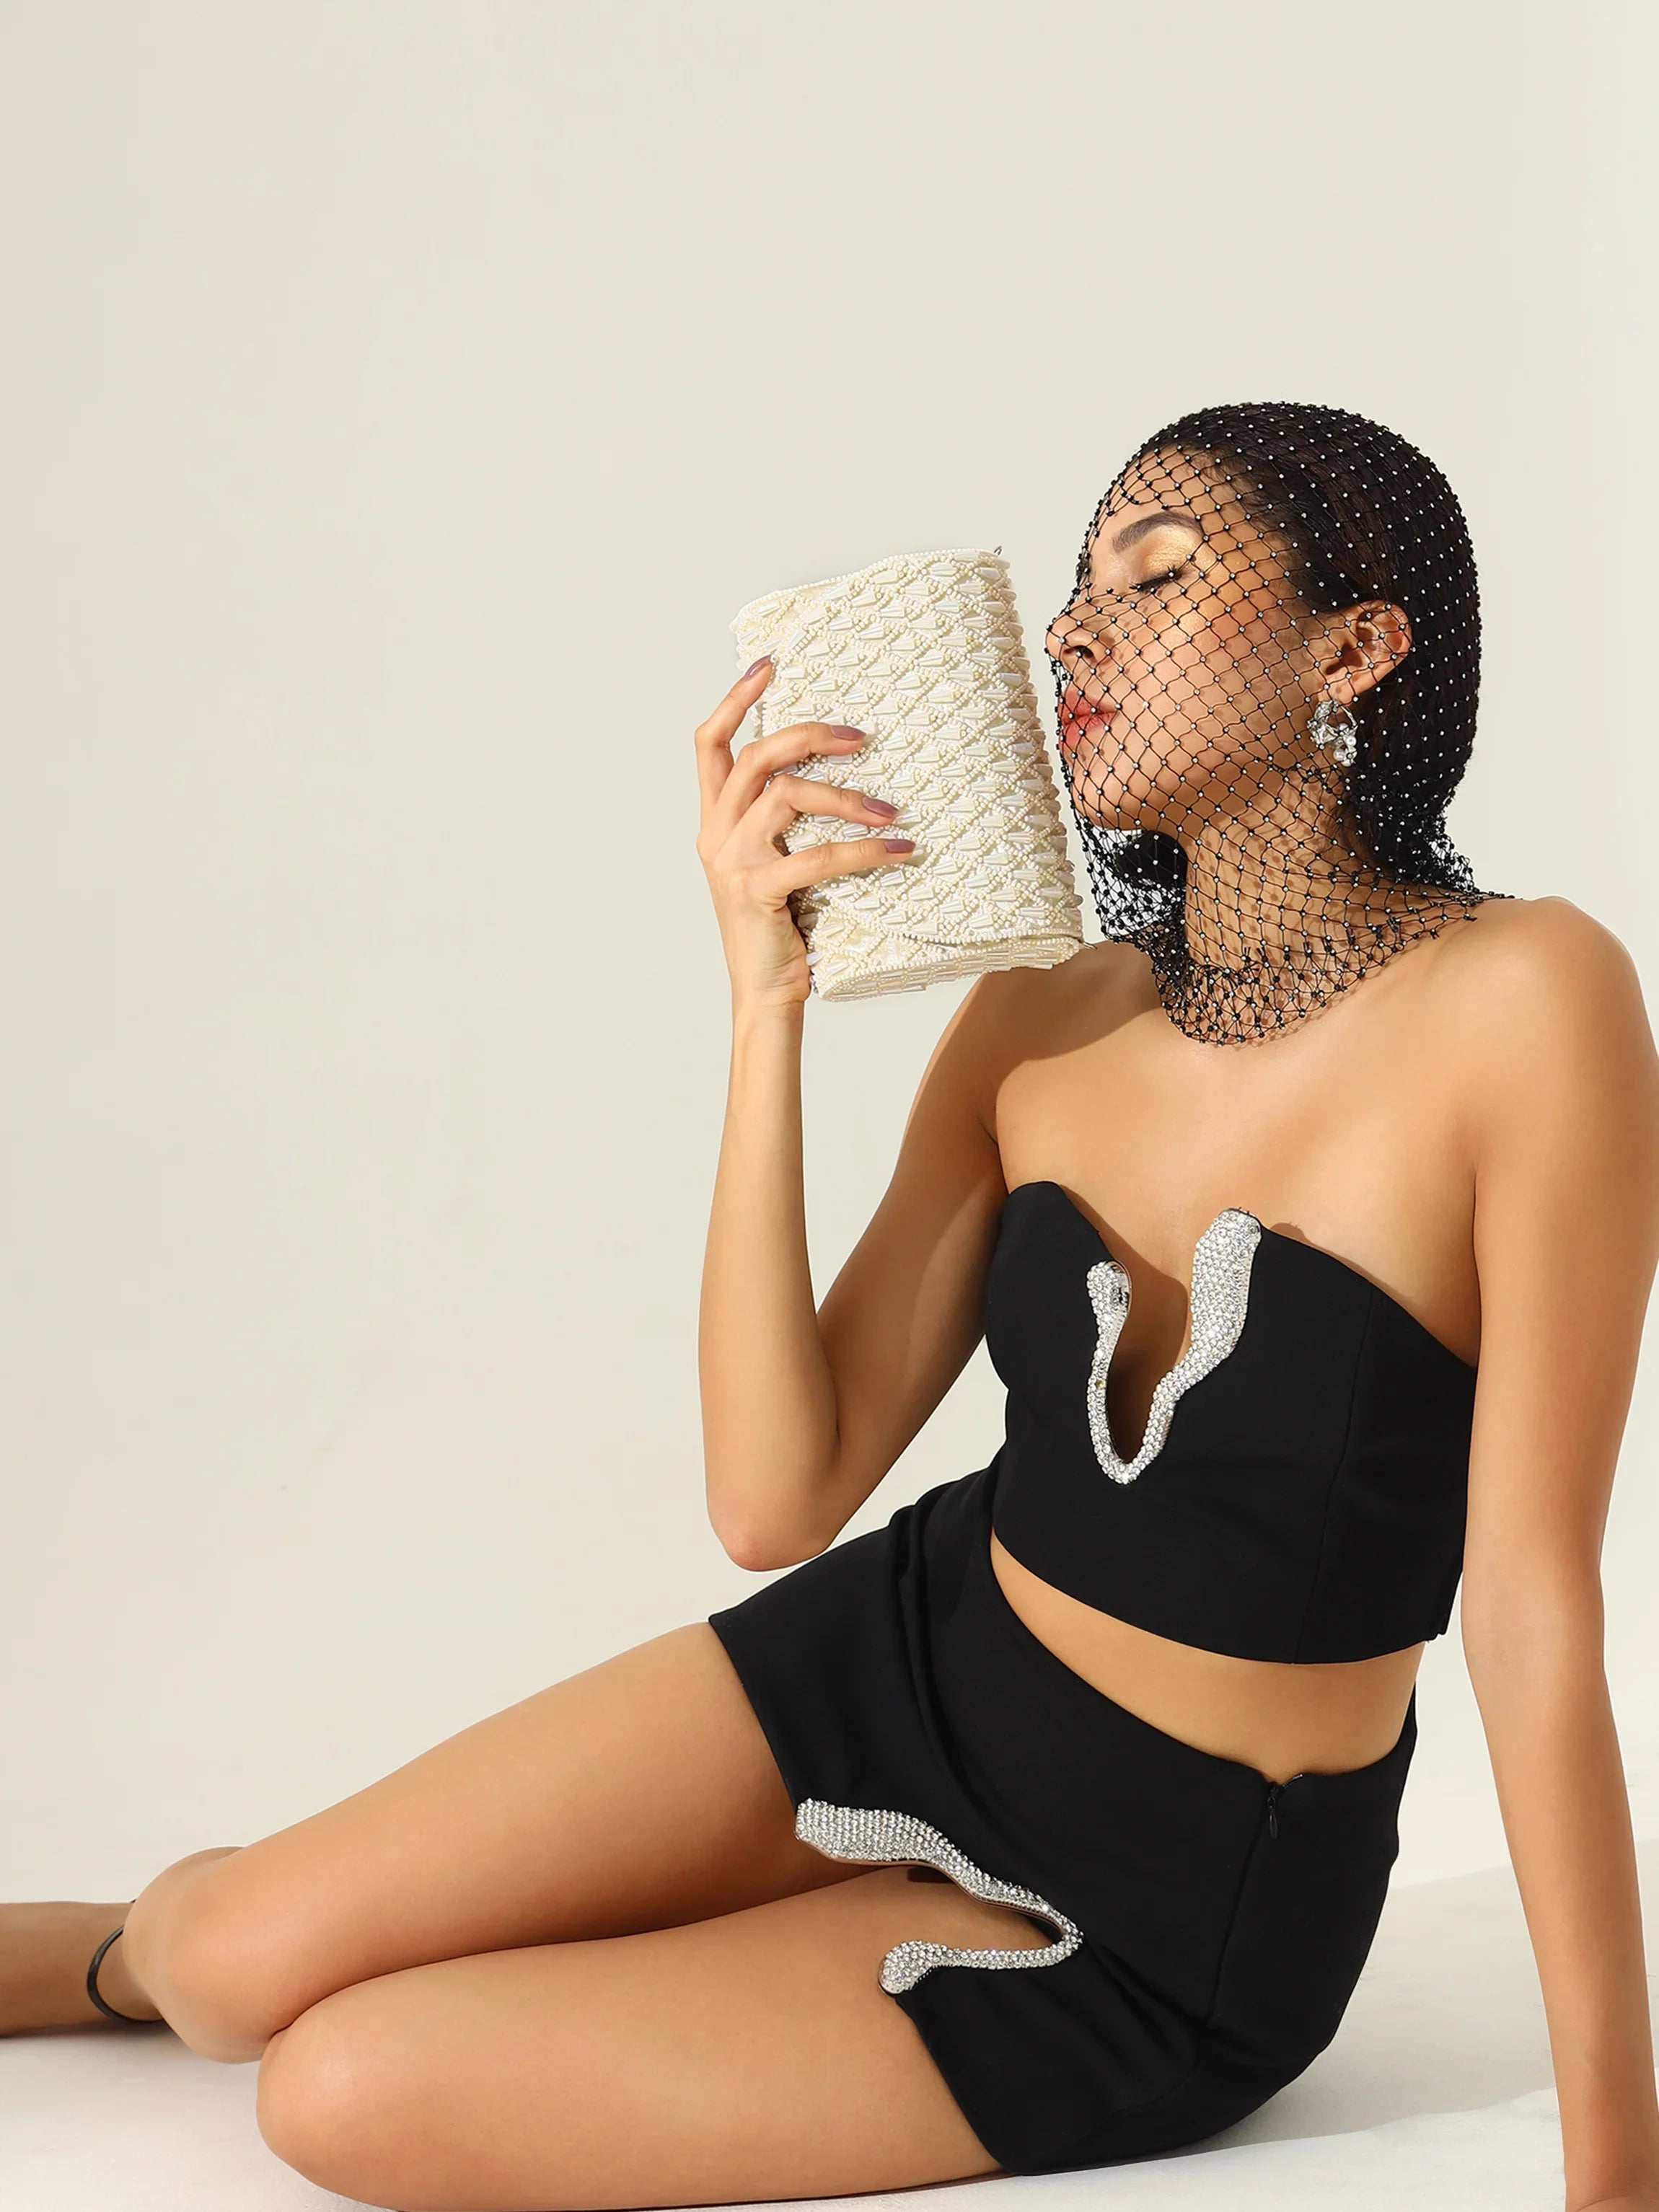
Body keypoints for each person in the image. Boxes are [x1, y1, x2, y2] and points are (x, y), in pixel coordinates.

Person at [5, 403, 1658, 2212]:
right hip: (912, 1658)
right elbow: (774, 1498)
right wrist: (763, 1003)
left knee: (334, 2088)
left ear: (1354, 646)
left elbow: (1529, 1616)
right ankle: (125, 1941)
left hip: (1168, 1911)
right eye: (1075, 585)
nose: (1072, 632)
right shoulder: (1046, 1014)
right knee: (238, 1961)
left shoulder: (1531, 1000)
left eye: (1156, 576)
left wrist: (1617, 2178)